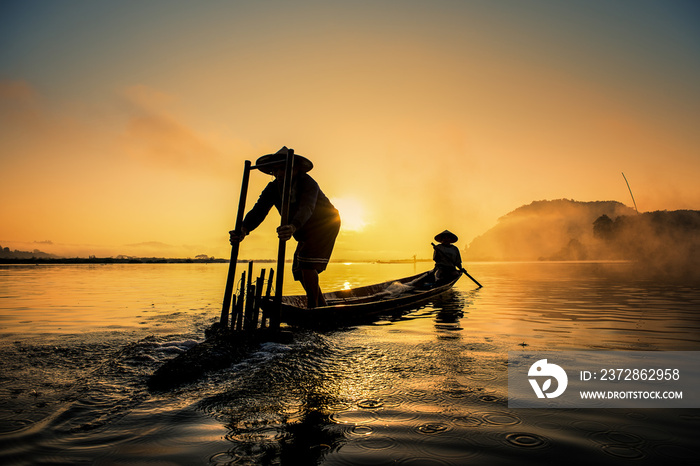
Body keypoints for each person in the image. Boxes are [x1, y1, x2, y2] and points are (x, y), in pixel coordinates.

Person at [229, 147, 341, 308]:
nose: (279, 173)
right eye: (276, 170)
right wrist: (243, 229)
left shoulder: (308, 183)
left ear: (295, 169)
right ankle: (321, 305)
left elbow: (307, 208)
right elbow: (258, 211)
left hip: (325, 224)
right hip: (302, 229)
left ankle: (314, 308)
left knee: (307, 265)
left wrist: (293, 226)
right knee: (299, 270)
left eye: (283, 168)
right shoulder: (273, 188)